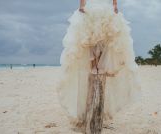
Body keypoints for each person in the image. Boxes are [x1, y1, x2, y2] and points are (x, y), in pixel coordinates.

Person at [57, 0, 142, 128]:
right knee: (90, 38)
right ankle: (94, 66)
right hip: (91, 7)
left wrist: (114, 6)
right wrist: (82, 6)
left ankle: (100, 66)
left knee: (104, 39)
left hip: (105, 8)